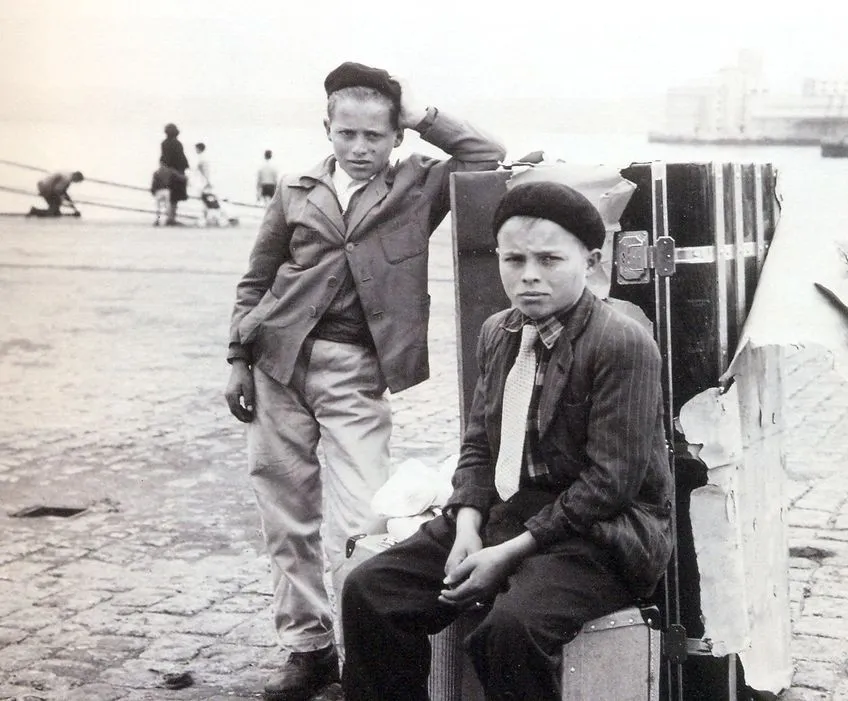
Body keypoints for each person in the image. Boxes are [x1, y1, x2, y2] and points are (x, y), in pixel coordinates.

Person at [223, 61, 505, 701]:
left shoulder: (418, 186)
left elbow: (486, 155)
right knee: (286, 516)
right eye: (346, 133)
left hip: (355, 371)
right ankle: (308, 650)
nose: (358, 148)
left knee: (364, 518)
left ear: (396, 137)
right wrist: (238, 356)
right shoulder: (295, 191)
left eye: (374, 135)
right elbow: (257, 279)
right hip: (276, 363)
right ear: (326, 129)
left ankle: (362, 661)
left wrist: (420, 113)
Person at [340, 181, 674, 701]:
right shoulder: (499, 332)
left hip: (601, 534)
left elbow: (611, 484)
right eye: (514, 259)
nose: (529, 275)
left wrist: (507, 555)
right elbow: (479, 446)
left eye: (549, 259)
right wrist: (467, 528)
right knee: (372, 591)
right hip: (510, 511)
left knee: (509, 632)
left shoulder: (621, 343)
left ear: (590, 262)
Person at [160, 123, 189, 226]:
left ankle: (170, 218)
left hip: (167, 172)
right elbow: (180, 158)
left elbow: (164, 159)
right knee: (175, 197)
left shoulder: (164, 143)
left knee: (170, 196)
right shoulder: (177, 143)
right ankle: (171, 218)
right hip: (177, 172)